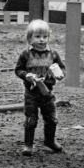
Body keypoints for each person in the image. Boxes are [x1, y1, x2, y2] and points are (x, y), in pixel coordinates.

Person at [14, 19, 66, 156]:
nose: (42, 40)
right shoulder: (26, 54)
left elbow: (61, 68)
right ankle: (28, 144)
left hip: (47, 92)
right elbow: (18, 70)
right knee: (31, 118)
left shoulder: (53, 54)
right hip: (31, 93)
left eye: (45, 36)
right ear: (29, 38)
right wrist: (26, 75)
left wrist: (60, 74)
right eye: (37, 37)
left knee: (51, 118)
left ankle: (49, 140)